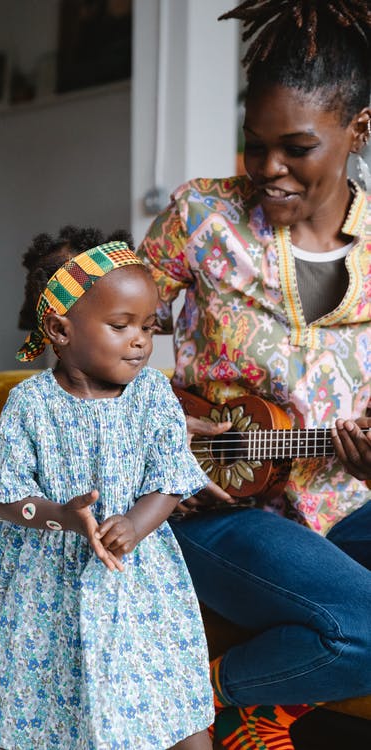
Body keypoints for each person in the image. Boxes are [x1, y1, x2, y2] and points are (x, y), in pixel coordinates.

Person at [137, 2, 371, 748]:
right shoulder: (201, 218)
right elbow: (90, 332)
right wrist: (148, 411)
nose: (268, 169)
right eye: (255, 145)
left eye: (295, 148)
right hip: (213, 504)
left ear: (357, 132)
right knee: (366, 627)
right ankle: (204, 694)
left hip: (342, 499)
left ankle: (261, 701)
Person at [0, 227, 219, 750]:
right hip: (41, 583)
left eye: (148, 326)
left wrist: (138, 524)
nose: (141, 340)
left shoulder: (153, 394)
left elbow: (172, 476)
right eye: (121, 326)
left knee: (171, 693)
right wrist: (62, 516)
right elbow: (5, 495)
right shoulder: (29, 403)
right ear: (59, 330)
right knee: (34, 696)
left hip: (137, 575)